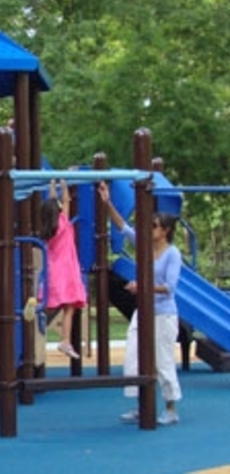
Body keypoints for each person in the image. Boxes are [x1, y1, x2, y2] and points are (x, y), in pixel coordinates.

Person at [98, 181, 182, 425]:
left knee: (163, 361)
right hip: (144, 311)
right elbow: (122, 226)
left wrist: (141, 286)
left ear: (165, 230)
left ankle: (170, 408)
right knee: (134, 357)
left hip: (163, 314)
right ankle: (142, 404)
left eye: (154, 226)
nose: (150, 229)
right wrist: (106, 202)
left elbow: (169, 288)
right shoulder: (145, 245)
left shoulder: (172, 254)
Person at [38, 179, 87, 359]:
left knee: (50, 305)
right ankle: (65, 341)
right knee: (69, 306)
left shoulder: (46, 228)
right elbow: (66, 201)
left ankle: (32, 315)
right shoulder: (63, 223)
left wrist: (51, 186)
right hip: (66, 270)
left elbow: (54, 202)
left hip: (52, 271)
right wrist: (64, 184)